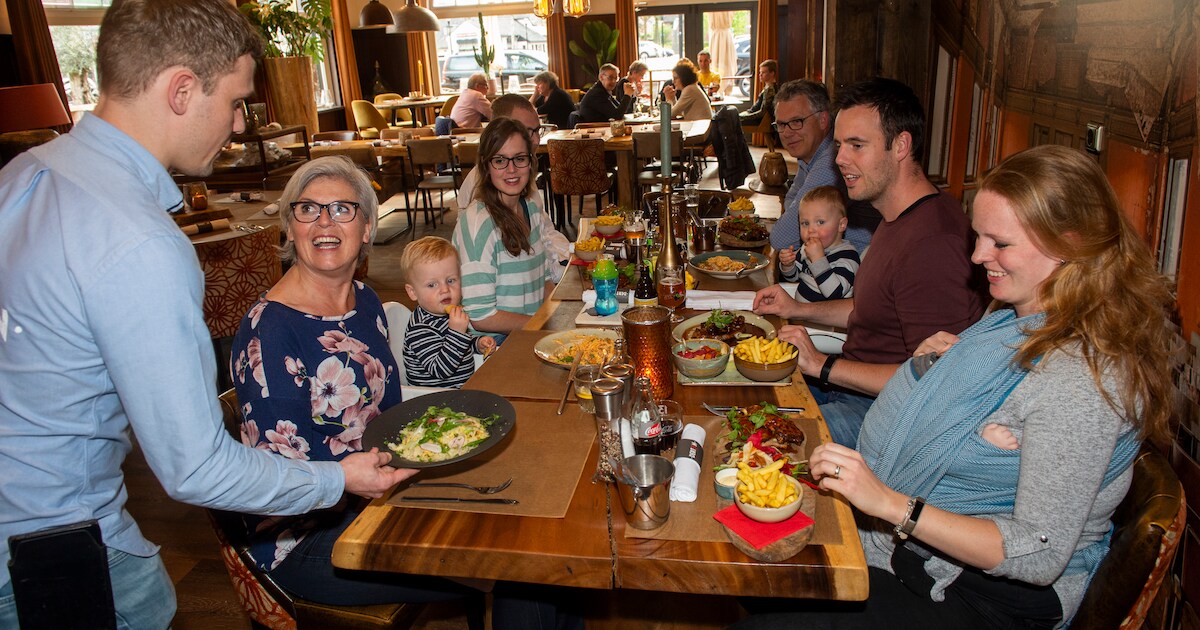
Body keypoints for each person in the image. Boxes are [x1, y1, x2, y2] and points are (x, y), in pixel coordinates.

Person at [0, 1, 407, 626]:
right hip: (52, 551)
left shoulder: (22, 177)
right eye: (238, 100)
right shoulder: (138, 241)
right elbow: (194, 467)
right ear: (182, 90)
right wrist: (338, 480)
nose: (241, 123)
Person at [734, 144, 1177, 629]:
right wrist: (939, 379)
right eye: (978, 236)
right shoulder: (1013, 315)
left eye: (1000, 243)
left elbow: (1037, 554)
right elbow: (965, 399)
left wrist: (890, 504)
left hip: (983, 600)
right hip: (927, 560)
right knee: (754, 571)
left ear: (1069, 244)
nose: (977, 255)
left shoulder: (1084, 379)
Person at [753, 77, 983, 447]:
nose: (840, 159)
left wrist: (822, 365)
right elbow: (871, 309)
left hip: (885, 415)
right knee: (743, 399)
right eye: (841, 145)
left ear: (901, 145)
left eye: (857, 145)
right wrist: (797, 307)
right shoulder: (896, 217)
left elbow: (938, 379)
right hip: (848, 388)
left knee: (757, 443)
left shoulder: (933, 242)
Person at [453, 117, 557, 337]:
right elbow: (480, 316)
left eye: (519, 158)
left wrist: (553, 323)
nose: (511, 170)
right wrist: (541, 327)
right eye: (500, 160)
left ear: (530, 162)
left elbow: (545, 279)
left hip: (530, 335)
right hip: (496, 349)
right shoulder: (477, 223)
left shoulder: (530, 208)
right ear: (486, 166)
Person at [455, 94, 570, 276]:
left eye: (536, 131)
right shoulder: (491, 188)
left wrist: (569, 254)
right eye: (525, 131)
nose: (535, 140)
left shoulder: (520, 173)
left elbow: (545, 231)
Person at [768, 79, 876, 254]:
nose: (787, 133)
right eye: (781, 124)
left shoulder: (830, 162)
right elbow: (790, 200)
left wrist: (797, 216)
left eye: (797, 121)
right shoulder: (809, 157)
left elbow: (781, 239)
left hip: (853, 268)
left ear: (823, 120)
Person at [401, 236, 496, 388]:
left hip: (462, 391)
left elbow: (458, 348)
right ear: (413, 292)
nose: (445, 289)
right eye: (432, 285)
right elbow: (441, 370)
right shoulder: (420, 329)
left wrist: (477, 344)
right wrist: (457, 332)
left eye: (451, 280)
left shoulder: (449, 315)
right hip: (435, 402)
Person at [778, 186, 860, 301]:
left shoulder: (848, 256)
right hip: (800, 313)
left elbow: (835, 293)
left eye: (820, 222)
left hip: (827, 318)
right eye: (805, 223)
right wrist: (788, 265)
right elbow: (792, 278)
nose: (811, 229)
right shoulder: (806, 249)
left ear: (841, 225)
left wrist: (818, 259)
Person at [739, 59, 778, 125]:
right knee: (731, 113)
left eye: (763, 72)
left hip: (759, 121)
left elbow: (762, 113)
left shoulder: (770, 90)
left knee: (731, 116)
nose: (760, 75)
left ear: (772, 73)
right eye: (760, 72)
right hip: (752, 113)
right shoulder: (767, 87)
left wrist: (742, 117)